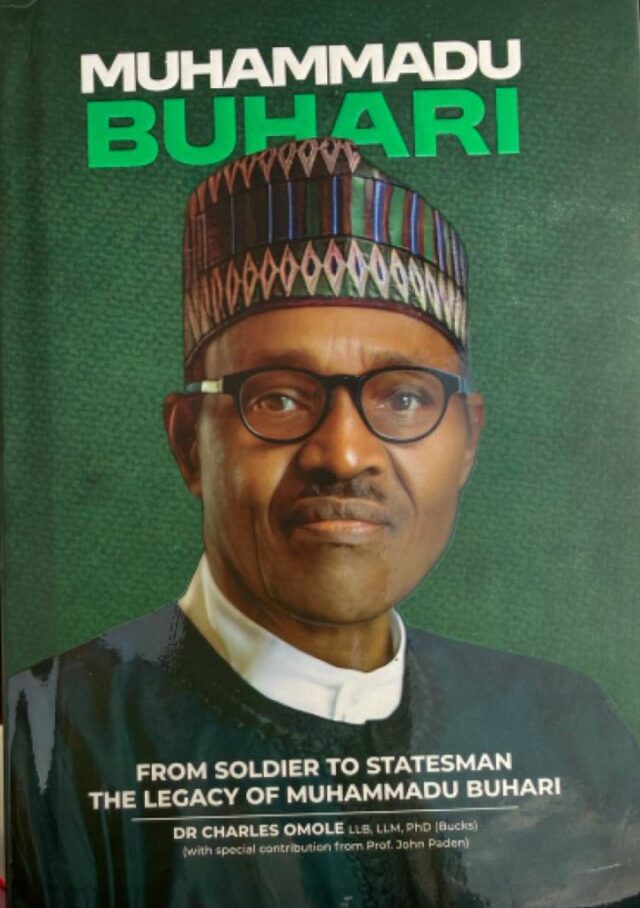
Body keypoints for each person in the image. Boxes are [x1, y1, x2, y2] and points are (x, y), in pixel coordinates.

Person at [9, 138, 640, 907]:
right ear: (189, 442)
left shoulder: (564, 725)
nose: (343, 454)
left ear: (469, 440)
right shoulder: (44, 739)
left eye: (403, 398)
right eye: (277, 397)